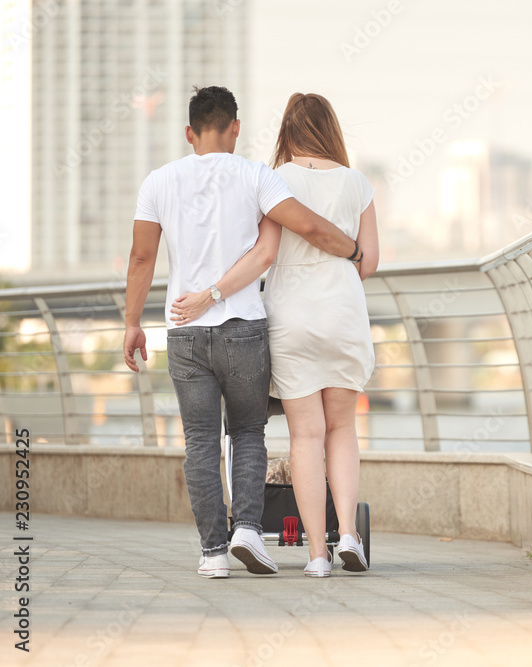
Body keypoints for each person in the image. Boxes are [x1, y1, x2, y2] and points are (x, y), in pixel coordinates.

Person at [123, 86, 364, 579]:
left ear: (189, 133)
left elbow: (142, 257)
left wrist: (131, 323)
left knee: (200, 440)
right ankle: (249, 530)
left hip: (185, 330)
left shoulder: (158, 181)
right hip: (245, 327)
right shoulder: (256, 175)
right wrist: (354, 252)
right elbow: (307, 230)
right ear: (235, 128)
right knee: (248, 431)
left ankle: (213, 553)